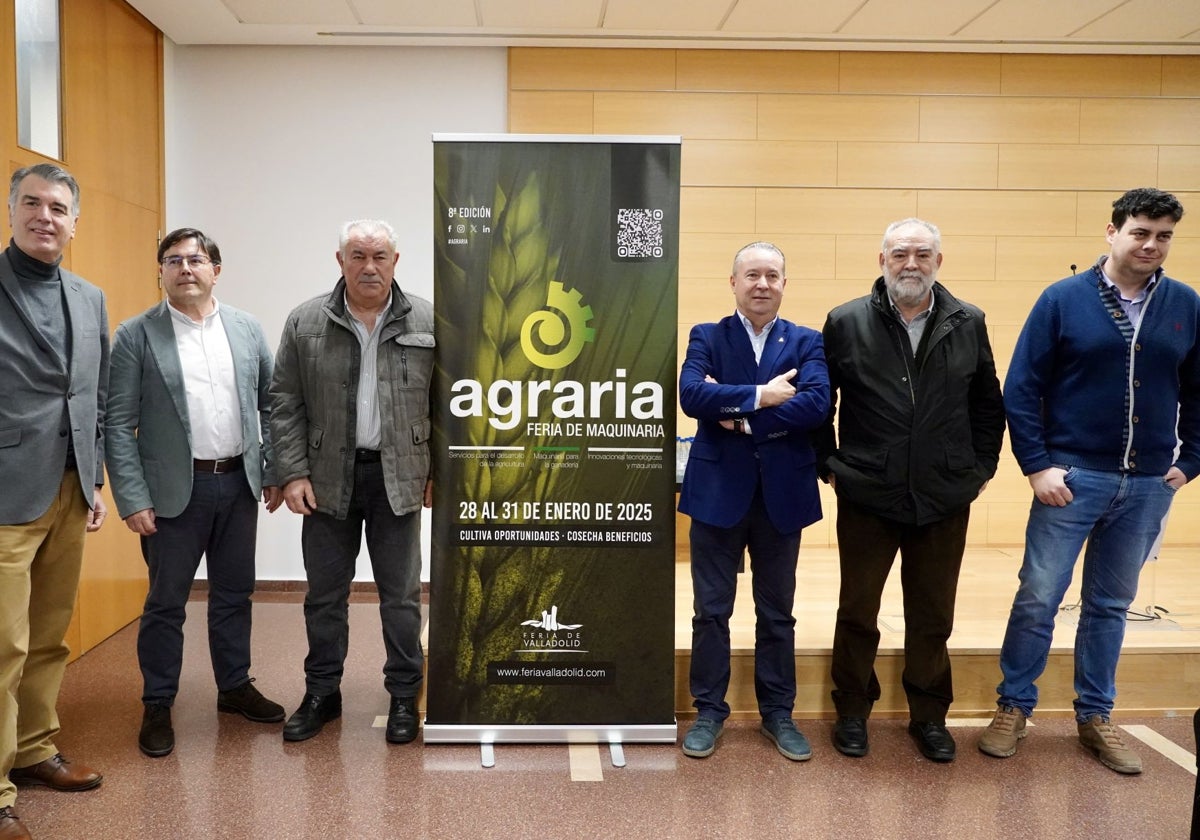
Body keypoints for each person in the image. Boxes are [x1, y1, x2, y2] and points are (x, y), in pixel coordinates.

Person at [980, 188, 1200, 775]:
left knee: (1110, 605)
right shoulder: (1062, 300)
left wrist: (1191, 459)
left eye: (1164, 235)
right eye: (1140, 232)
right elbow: (1021, 388)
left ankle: (1096, 716)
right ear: (1112, 232)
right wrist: (1037, 466)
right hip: (1073, 480)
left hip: (1150, 484)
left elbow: (1199, 390)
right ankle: (1013, 707)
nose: (1151, 244)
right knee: (1038, 598)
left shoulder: (1185, 304)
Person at [816, 218, 1005, 763]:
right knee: (857, 610)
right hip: (868, 494)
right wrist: (829, 465)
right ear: (882, 260)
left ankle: (929, 717)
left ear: (938, 262)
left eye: (923, 255)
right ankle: (852, 711)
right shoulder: (846, 321)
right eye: (900, 254)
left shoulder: (968, 321)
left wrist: (980, 469)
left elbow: (987, 405)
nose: (911, 264)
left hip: (944, 496)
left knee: (932, 615)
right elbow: (817, 401)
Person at [105, 227, 286, 759]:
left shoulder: (247, 329)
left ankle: (234, 687)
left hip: (238, 484)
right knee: (165, 604)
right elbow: (118, 424)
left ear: (216, 270)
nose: (186, 268)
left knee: (234, 594)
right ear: (160, 272)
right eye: (173, 260)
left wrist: (273, 468)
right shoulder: (136, 335)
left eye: (197, 259)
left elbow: (271, 405)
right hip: (170, 493)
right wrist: (133, 497)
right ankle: (158, 701)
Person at [270, 219, 433, 745]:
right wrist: (291, 472)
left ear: (395, 261)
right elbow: (284, 403)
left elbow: (450, 406)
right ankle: (322, 693)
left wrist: (440, 476)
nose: (369, 265)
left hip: (399, 477)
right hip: (326, 481)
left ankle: (405, 695)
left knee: (402, 598)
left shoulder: (429, 320)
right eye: (357, 255)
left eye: (379, 255)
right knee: (324, 595)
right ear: (339, 261)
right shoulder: (306, 322)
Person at [677, 241, 830, 761]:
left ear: (785, 284)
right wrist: (764, 395)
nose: (762, 284)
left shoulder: (808, 341)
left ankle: (778, 713)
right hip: (718, 493)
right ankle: (708, 712)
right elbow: (692, 395)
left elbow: (816, 404)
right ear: (734, 283)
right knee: (710, 611)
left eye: (772, 276)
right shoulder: (707, 335)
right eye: (751, 275)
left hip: (781, 497)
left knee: (777, 613)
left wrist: (739, 412)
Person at [1, 164, 108, 840]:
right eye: (33, 204)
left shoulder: (90, 296)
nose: (47, 216)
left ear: (75, 221)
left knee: (47, 638)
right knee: (1, 643)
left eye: (59, 207)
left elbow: (89, 395)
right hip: (7, 492)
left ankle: (36, 747)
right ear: (11, 211)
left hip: (70, 488)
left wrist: (94, 477)